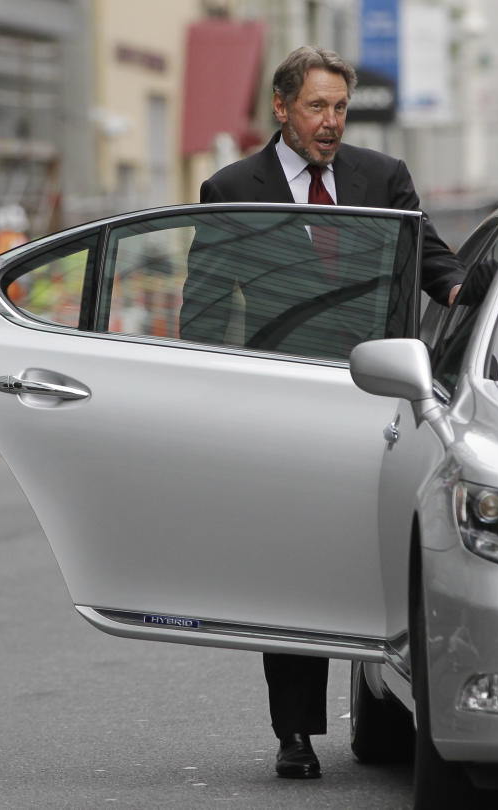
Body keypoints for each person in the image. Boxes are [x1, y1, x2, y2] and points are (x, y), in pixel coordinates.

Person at [183, 46, 465, 779]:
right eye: (318, 107)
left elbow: (433, 263)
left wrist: (476, 294)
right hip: (289, 409)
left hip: (385, 403)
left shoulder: (382, 178)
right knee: (296, 568)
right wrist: (204, 402)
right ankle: (296, 731)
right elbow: (207, 314)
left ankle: (396, 701)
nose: (332, 122)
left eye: (340, 107)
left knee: (382, 562)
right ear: (282, 109)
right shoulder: (232, 188)